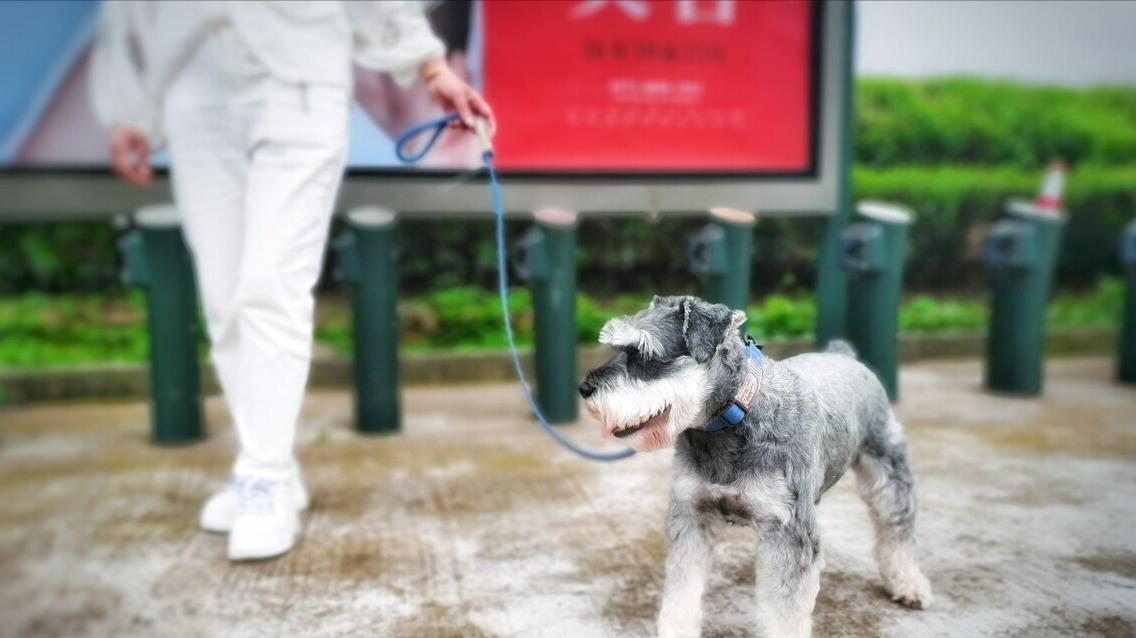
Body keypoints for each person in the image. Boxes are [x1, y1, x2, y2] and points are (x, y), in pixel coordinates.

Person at [89, 1, 493, 561]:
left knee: (270, 282)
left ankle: (263, 477)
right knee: (225, 296)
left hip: (299, 73)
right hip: (192, 77)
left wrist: (430, 65)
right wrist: (125, 106)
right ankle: (266, 463)